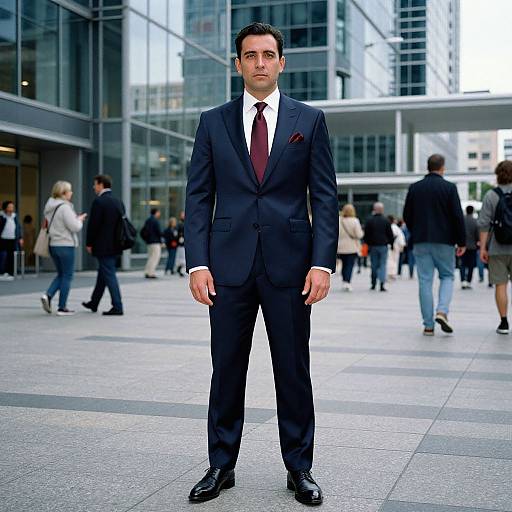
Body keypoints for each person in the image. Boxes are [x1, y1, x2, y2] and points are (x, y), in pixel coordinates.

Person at [185, 23, 338, 506]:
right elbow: (197, 197)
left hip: (291, 268)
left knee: (292, 369)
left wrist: (322, 264)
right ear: (238, 64)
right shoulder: (213, 121)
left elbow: (325, 198)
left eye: (268, 54)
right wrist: (197, 264)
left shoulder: (309, 120)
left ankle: (300, 468)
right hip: (226, 268)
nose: (259, 63)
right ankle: (220, 465)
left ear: (281, 63)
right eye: (250, 55)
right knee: (225, 368)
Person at [403, 154, 466, 336]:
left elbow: (407, 215)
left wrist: (417, 230)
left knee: (425, 281)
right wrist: (461, 241)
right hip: (445, 241)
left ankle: (428, 325)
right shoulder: (449, 188)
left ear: (427, 166)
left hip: (421, 240)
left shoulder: (415, 188)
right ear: (442, 167)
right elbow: (457, 216)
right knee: (447, 276)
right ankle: (442, 311)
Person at [40, 181, 86, 315]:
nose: (72, 193)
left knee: (61, 274)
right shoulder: (65, 207)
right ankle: (62, 307)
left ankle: (48, 296)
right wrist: (80, 220)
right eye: (69, 191)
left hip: (53, 244)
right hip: (65, 245)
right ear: (63, 193)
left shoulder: (50, 207)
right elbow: (75, 227)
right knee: (67, 276)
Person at [82, 174, 125, 316]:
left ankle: (117, 306)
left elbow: (93, 225)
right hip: (116, 245)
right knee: (103, 274)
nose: (94, 187)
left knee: (109, 274)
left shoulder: (99, 202)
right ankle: (94, 302)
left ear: (101, 184)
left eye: (95, 184)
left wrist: (89, 243)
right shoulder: (118, 201)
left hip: (103, 246)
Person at [478, 160, 512, 334]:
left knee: (500, 285)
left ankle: (504, 323)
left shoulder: (491, 195)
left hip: (497, 248)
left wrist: (483, 248)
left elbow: (483, 224)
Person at [363, 202, 394, 291]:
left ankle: (373, 283)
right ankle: (382, 284)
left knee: (374, 265)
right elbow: (390, 234)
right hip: (383, 245)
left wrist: (367, 244)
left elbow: (366, 234)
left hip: (373, 246)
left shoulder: (369, 220)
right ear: (382, 210)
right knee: (383, 265)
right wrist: (391, 244)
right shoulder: (386, 220)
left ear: (374, 209)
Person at [337, 204, 363, 291]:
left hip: (340, 247)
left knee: (344, 265)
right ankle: (347, 282)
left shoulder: (339, 220)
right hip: (352, 247)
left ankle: (344, 281)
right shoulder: (355, 221)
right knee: (349, 265)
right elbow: (359, 235)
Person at [0, 200, 23, 281]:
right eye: (9, 206)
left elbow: (18, 227)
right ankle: (2, 272)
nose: (11, 208)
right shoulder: (2, 216)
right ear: (5, 207)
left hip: (13, 239)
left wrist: (20, 237)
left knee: (11, 256)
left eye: (12, 207)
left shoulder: (14, 216)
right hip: (3, 239)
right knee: (3, 255)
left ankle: (10, 272)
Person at [460, 205, 479, 289]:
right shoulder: (475, 221)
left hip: (462, 245)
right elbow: (477, 235)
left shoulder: (461, 220)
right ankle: (468, 281)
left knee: (462, 264)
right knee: (471, 264)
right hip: (472, 246)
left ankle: (463, 280)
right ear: (473, 211)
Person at [141, 208, 163, 279]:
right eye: (159, 212)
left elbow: (143, 231)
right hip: (155, 242)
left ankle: (147, 272)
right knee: (155, 257)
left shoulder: (148, 220)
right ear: (156, 213)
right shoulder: (155, 221)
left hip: (149, 242)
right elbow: (158, 232)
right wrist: (161, 241)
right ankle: (151, 273)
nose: (159, 214)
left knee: (150, 257)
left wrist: (146, 239)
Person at [387, 215, 406, 280]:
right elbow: (400, 237)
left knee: (391, 259)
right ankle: (392, 273)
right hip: (396, 245)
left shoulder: (391, 227)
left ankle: (391, 273)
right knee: (394, 260)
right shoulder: (396, 227)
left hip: (392, 245)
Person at [175, 210, 186, 277]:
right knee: (182, 257)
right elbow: (178, 234)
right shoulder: (180, 224)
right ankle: (179, 269)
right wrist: (180, 239)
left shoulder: (185, 223)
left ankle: (180, 269)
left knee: (182, 257)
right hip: (181, 244)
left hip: (184, 243)